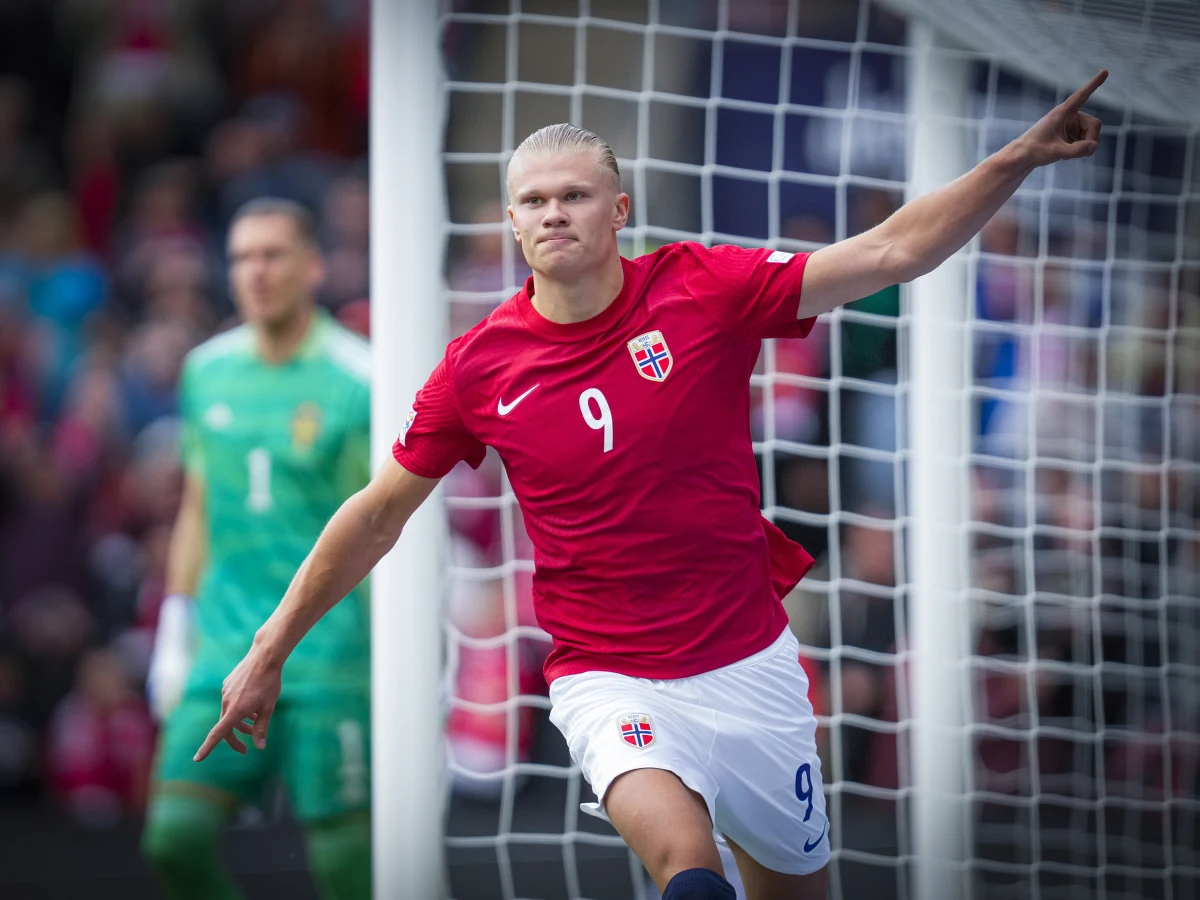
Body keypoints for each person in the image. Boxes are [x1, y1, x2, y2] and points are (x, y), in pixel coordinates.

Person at [197, 72, 1107, 900]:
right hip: (609, 678)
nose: (554, 214)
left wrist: (1016, 159)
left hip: (750, 664)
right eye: (533, 201)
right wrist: (270, 648)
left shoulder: (702, 289)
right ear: (512, 224)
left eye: (574, 195)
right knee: (688, 870)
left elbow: (893, 250)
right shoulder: (478, 366)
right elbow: (376, 514)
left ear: (620, 208)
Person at [143, 198, 373, 900]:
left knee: (346, 867)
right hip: (223, 650)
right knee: (173, 841)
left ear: (314, 266)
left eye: (273, 254)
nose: (257, 272)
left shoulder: (360, 376)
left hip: (328, 657)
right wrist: (175, 623)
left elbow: (381, 523)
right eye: (242, 257)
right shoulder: (205, 371)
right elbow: (198, 507)